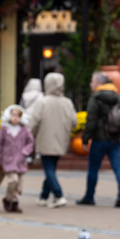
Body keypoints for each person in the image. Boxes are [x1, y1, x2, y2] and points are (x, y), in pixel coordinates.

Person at [77, 72, 120, 207]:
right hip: (116, 138)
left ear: (99, 83)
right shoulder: (118, 97)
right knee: (118, 168)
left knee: (93, 168)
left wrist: (85, 138)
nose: (90, 84)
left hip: (99, 139)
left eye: (92, 81)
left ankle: (89, 197)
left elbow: (91, 120)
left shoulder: (96, 98)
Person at [27, 72, 77, 209]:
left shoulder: (42, 102)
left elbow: (34, 122)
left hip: (45, 140)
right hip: (61, 141)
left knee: (49, 169)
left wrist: (29, 136)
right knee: (51, 168)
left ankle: (58, 195)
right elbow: (75, 121)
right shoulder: (67, 102)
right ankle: (43, 197)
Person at [0, 105, 35, 213]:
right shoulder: (4, 130)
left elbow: (30, 142)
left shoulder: (25, 130)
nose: (15, 118)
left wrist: (24, 152)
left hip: (21, 161)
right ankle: (8, 199)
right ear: (9, 116)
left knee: (19, 184)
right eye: (13, 115)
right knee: (13, 180)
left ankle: (15, 203)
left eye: (18, 116)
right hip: (8, 160)